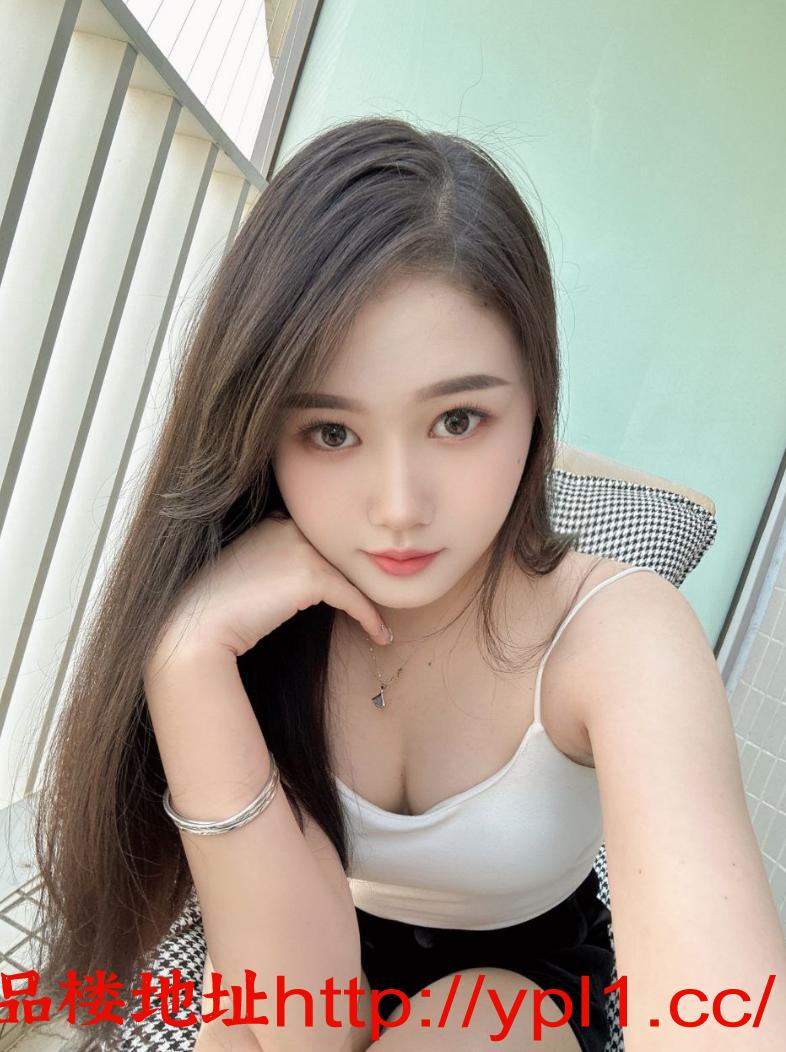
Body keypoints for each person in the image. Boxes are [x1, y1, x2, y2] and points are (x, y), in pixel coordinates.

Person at [31, 117, 785, 1052]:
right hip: (313, 949)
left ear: (536, 403)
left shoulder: (617, 634)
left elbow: (718, 1004)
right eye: (332, 433)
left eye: (458, 420)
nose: (397, 508)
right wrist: (186, 659)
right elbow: (301, 1028)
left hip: (524, 995)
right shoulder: (251, 619)